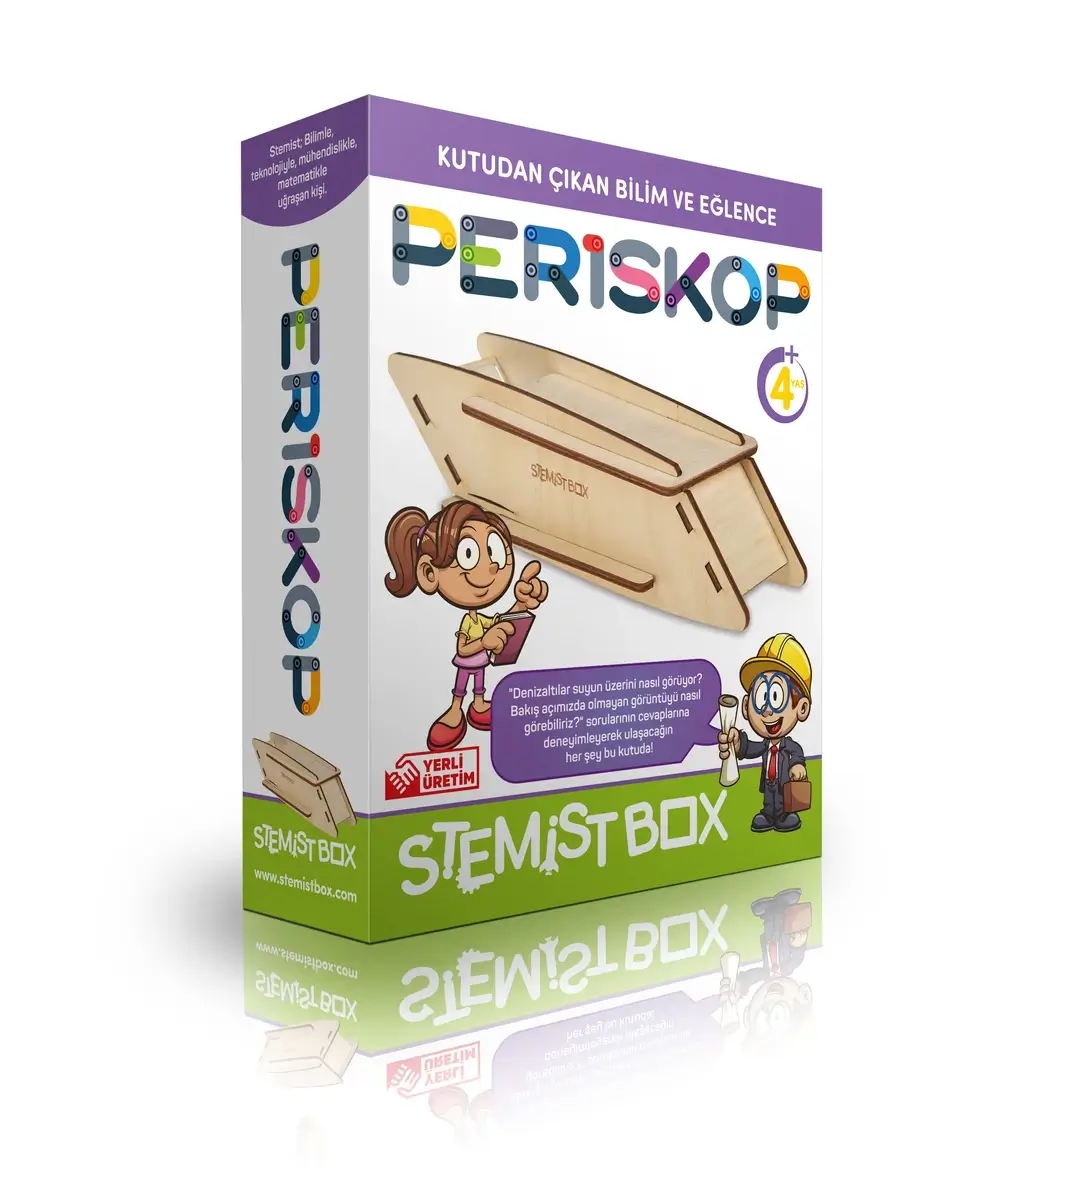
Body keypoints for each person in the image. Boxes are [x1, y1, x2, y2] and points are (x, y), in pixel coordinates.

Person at [384, 500, 549, 750]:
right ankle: (454, 711)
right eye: (469, 555)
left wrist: (521, 603)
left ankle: (479, 706)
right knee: (460, 689)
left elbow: (501, 622)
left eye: (494, 551)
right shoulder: (466, 621)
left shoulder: (481, 618)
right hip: (465, 664)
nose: (492, 566)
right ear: (429, 573)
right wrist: (484, 641)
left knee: (479, 687)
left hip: (481, 663)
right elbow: (462, 648)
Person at [717, 633, 812, 832]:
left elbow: (797, 754)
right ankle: (769, 814)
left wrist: (797, 766)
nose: (767, 711)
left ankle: (784, 814)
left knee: (782, 801)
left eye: (776, 697)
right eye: (761, 697)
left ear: (802, 708)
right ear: (746, 705)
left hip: (785, 787)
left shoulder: (789, 746)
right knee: (769, 801)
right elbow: (752, 748)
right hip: (769, 785)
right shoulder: (766, 746)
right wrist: (738, 744)